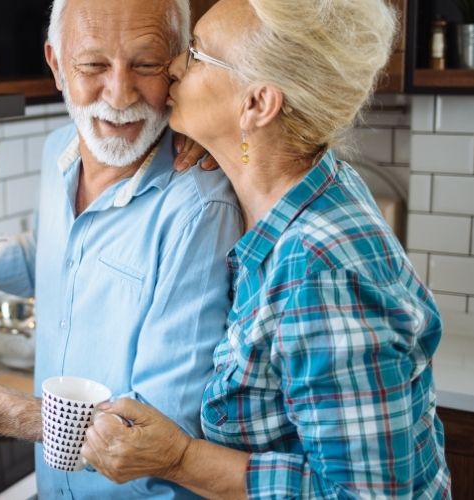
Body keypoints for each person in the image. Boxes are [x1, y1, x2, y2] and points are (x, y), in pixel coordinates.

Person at [0, 0, 243, 497]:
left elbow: (160, 426)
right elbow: (56, 249)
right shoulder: (58, 150)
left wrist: (0, 409)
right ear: (56, 65)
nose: (119, 93)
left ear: (177, 64)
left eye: (146, 64)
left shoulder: (199, 207)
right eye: (92, 65)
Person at [81, 0, 453, 498]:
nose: (173, 66)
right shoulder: (300, 186)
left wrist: (180, 458)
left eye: (196, 55)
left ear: (257, 104)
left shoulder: (318, 264)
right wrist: (218, 141)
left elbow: (364, 495)